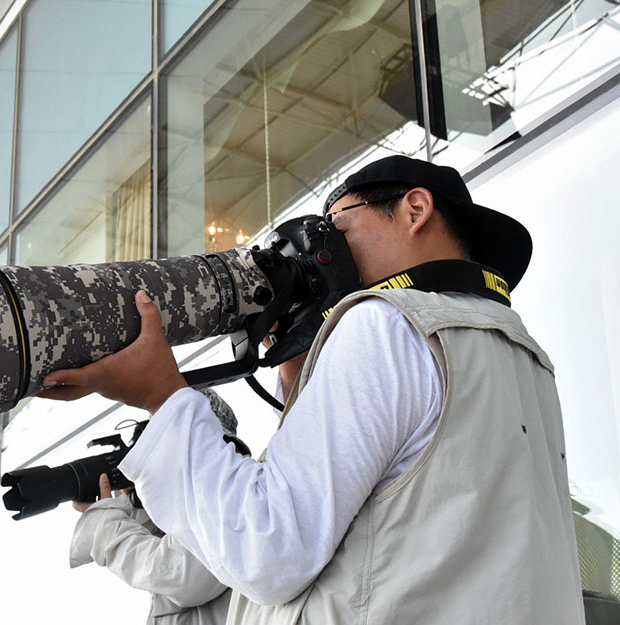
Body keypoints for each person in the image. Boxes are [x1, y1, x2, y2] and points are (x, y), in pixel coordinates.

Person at [40, 155, 584, 623]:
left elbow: (267, 548)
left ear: (414, 210)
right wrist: (299, 376)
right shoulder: (522, 357)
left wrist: (162, 396)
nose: (323, 249)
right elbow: (412, 531)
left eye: (337, 225)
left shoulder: (385, 325)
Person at [69, 390, 247, 625]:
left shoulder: (233, 500)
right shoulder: (193, 511)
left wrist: (104, 525)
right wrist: (137, 502)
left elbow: (180, 576)